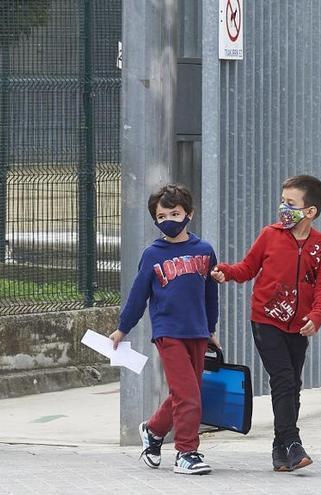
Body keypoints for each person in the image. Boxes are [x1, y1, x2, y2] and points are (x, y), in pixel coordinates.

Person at [211, 175, 321, 472]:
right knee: (283, 378)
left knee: (293, 386)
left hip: (299, 326)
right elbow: (247, 268)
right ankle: (293, 442)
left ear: (310, 211)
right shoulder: (270, 234)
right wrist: (225, 272)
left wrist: (316, 316)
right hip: (266, 319)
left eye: (290, 203)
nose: (283, 207)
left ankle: (280, 450)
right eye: (282, 201)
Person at [109, 184, 219, 475]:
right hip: (168, 333)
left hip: (197, 332)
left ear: (189, 214)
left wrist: (211, 329)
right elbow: (138, 295)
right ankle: (186, 452)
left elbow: (210, 294)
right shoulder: (152, 254)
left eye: (175, 213)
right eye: (161, 215)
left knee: (186, 392)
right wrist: (123, 329)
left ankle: (154, 430)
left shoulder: (205, 251)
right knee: (189, 395)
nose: (168, 219)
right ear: (155, 219)